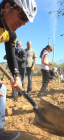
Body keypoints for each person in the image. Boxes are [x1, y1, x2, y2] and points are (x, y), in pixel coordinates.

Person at [0, 0, 37, 139]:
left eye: (26, 21)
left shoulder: (11, 34)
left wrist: (16, 76)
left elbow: (11, 56)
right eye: (23, 18)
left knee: (1, 89)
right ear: (8, 7)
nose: (23, 23)